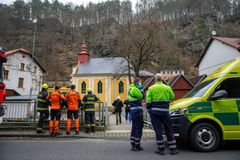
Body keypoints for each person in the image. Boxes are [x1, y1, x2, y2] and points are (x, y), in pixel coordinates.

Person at [146, 73, 177, 155]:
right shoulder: (167, 88)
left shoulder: (151, 88)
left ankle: (161, 149)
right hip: (165, 112)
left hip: (155, 113)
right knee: (169, 129)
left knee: (158, 130)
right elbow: (172, 97)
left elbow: (148, 101)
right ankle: (173, 149)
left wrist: (149, 109)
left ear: (155, 80)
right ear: (162, 79)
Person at [128, 77, 144, 151]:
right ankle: (137, 145)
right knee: (138, 128)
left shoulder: (130, 89)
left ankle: (133, 143)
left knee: (134, 127)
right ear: (137, 83)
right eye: (140, 82)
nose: (141, 84)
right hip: (137, 111)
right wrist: (141, 89)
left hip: (133, 111)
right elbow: (142, 96)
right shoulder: (135, 89)